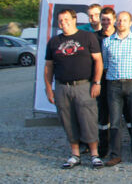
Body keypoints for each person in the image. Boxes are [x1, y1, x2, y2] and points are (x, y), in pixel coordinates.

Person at [44, 9, 104, 169]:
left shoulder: (87, 37)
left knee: (89, 120)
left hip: (84, 86)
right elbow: (48, 66)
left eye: (66, 19)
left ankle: (95, 155)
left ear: (74, 19)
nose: (63, 22)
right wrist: (48, 88)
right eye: (60, 20)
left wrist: (97, 82)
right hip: (62, 87)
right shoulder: (54, 42)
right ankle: (75, 155)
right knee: (67, 121)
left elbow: (98, 60)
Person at [101, 11, 132, 166]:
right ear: (115, 22)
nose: (121, 23)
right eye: (119, 20)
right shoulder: (107, 42)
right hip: (114, 85)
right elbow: (105, 65)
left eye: (124, 20)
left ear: (130, 23)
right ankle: (115, 155)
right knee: (115, 122)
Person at [96, 6, 117, 157]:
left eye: (108, 19)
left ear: (114, 20)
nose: (106, 22)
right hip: (102, 82)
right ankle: (103, 147)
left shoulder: (122, 35)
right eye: (103, 19)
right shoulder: (94, 37)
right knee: (103, 116)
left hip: (118, 80)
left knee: (126, 114)